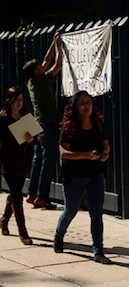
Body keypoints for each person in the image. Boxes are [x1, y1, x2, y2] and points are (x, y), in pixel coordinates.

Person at [54, 90, 111, 264]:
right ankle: (59, 235)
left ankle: (98, 251)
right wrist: (85, 155)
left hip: (95, 174)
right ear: (75, 107)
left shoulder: (98, 124)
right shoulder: (69, 127)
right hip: (75, 175)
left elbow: (105, 144)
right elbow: (63, 153)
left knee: (96, 213)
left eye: (89, 102)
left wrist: (105, 153)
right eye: (82, 103)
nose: (86, 106)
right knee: (71, 210)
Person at [22, 30, 63, 209]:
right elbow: (57, 65)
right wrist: (59, 49)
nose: (42, 65)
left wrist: (53, 43)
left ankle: (32, 194)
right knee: (48, 160)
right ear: (36, 72)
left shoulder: (31, 82)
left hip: (37, 124)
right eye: (39, 66)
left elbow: (47, 61)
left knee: (37, 159)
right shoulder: (41, 82)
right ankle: (42, 197)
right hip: (47, 125)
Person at [0, 86, 36, 245]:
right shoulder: (3, 118)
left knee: (15, 194)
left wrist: (30, 139)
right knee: (18, 196)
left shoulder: (26, 116)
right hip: (7, 161)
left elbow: (35, 140)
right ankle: (23, 232)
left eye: (21, 100)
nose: (19, 103)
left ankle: (3, 220)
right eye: (16, 100)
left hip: (22, 160)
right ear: (9, 100)